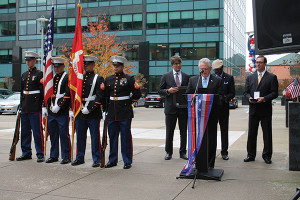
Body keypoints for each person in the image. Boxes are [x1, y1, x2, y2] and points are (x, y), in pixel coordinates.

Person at [104, 55, 141, 169]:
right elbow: (105, 96)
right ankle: (112, 160)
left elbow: (137, 93)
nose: (115, 68)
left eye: (117, 66)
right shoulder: (108, 79)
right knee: (112, 137)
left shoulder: (129, 79)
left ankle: (127, 160)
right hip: (111, 112)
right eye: (114, 66)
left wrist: (128, 102)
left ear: (122, 66)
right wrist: (104, 110)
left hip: (124, 112)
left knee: (125, 138)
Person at [186, 58, 223, 168]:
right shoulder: (193, 80)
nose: (204, 71)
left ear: (210, 68)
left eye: (206, 69)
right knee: (198, 139)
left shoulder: (217, 81)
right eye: (201, 69)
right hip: (197, 116)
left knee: (211, 139)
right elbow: (188, 95)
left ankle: (210, 164)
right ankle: (198, 162)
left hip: (211, 115)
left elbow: (221, 96)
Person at [71, 55, 105, 168]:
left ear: (93, 65)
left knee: (95, 137)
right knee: (80, 136)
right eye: (85, 64)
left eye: (89, 64)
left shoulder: (98, 78)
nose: (86, 66)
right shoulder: (80, 78)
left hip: (93, 113)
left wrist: (89, 108)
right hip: (80, 112)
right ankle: (79, 157)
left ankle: (97, 158)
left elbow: (99, 96)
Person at [244, 55, 278, 164]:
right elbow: (246, 92)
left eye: (260, 62)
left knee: (267, 134)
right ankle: (251, 155)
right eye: (256, 62)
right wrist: (249, 97)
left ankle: (267, 155)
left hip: (265, 109)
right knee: (252, 133)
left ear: (265, 64)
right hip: (253, 109)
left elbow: (274, 93)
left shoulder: (272, 77)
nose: (257, 64)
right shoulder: (250, 77)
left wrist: (264, 98)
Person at [158, 56, 190, 160]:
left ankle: (183, 152)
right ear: (172, 65)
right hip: (170, 108)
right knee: (169, 131)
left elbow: (189, 90)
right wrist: (168, 91)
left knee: (183, 131)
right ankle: (168, 152)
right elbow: (160, 91)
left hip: (183, 108)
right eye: (176, 63)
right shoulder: (166, 76)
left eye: (179, 63)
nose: (178, 65)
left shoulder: (186, 76)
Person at [42, 57, 71, 165]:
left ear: (63, 66)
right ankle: (54, 155)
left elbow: (68, 94)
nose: (56, 68)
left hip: (62, 111)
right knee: (53, 135)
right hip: (51, 111)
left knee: (64, 135)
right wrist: (44, 106)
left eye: (58, 66)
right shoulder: (51, 78)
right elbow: (46, 94)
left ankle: (66, 156)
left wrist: (59, 105)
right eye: (55, 66)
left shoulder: (67, 77)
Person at [16, 51, 44, 162]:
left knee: (37, 131)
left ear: (34, 61)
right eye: (26, 60)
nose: (28, 62)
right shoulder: (24, 75)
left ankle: (40, 154)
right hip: (25, 107)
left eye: (30, 60)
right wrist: (21, 105)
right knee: (25, 131)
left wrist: (41, 105)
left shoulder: (39, 74)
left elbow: (42, 92)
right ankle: (26, 152)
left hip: (35, 107)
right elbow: (22, 92)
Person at [212, 59, 235, 160]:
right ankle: (212, 150)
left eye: (218, 69)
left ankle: (224, 152)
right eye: (215, 70)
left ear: (222, 68)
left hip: (224, 109)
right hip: (213, 109)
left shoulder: (229, 78)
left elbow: (232, 93)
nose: (217, 72)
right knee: (212, 131)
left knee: (224, 131)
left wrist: (225, 98)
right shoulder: (211, 78)